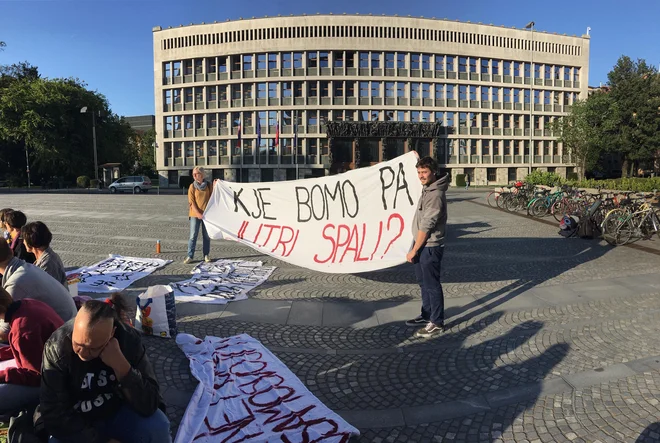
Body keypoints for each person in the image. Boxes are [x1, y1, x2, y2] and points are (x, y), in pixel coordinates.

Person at [41, 299, 171, 443]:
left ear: (111, 334)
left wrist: (122, 367)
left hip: (117, 413)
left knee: (158, 426)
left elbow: (151, 403)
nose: (83, 353)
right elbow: (55, 414)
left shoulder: (128, 340)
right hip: (77, 420)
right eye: (77, 344)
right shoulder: (57, 347)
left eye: (93, 348)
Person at [0, 287, 64, 416]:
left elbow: (35, 376)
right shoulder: (28, 304)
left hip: (54, 382)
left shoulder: (22, 329)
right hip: (55, 363)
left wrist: (3, 375)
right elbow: (26, 348)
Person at [405, 156, 449, 338]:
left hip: (430, 246)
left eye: (424, 172)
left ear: (434, 172)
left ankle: (437, 322)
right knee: (423, 283)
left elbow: (427, 225)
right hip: (422, 244)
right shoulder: (427, 188)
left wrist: (414, 249)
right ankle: (427, 314)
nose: (421, 176)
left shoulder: (435, 194)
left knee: (432, 285)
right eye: (419, 172)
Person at [0, 240, 77, 323]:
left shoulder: (15, 284)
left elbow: (5, 329)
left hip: (65, 330)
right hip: (68, 322)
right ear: (11, 251)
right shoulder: (26, 267)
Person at [21, 221, 68, 288]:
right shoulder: (45, 257)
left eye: (24, 239)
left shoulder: (47, 264)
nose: (23, 242)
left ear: (30, 241)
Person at [185, 166, 215, 264]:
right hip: (195, 215)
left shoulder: (208, 185)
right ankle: (190, 256)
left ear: (201, 175)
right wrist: (198, 213)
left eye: (196, 174)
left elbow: (213, 197)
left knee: (206, 236)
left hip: (207, 215)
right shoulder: (192, 186)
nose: (194, 176)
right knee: (193, 235)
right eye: (193, 174)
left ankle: (206, 254)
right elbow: (191, 202)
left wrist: (215, 185)